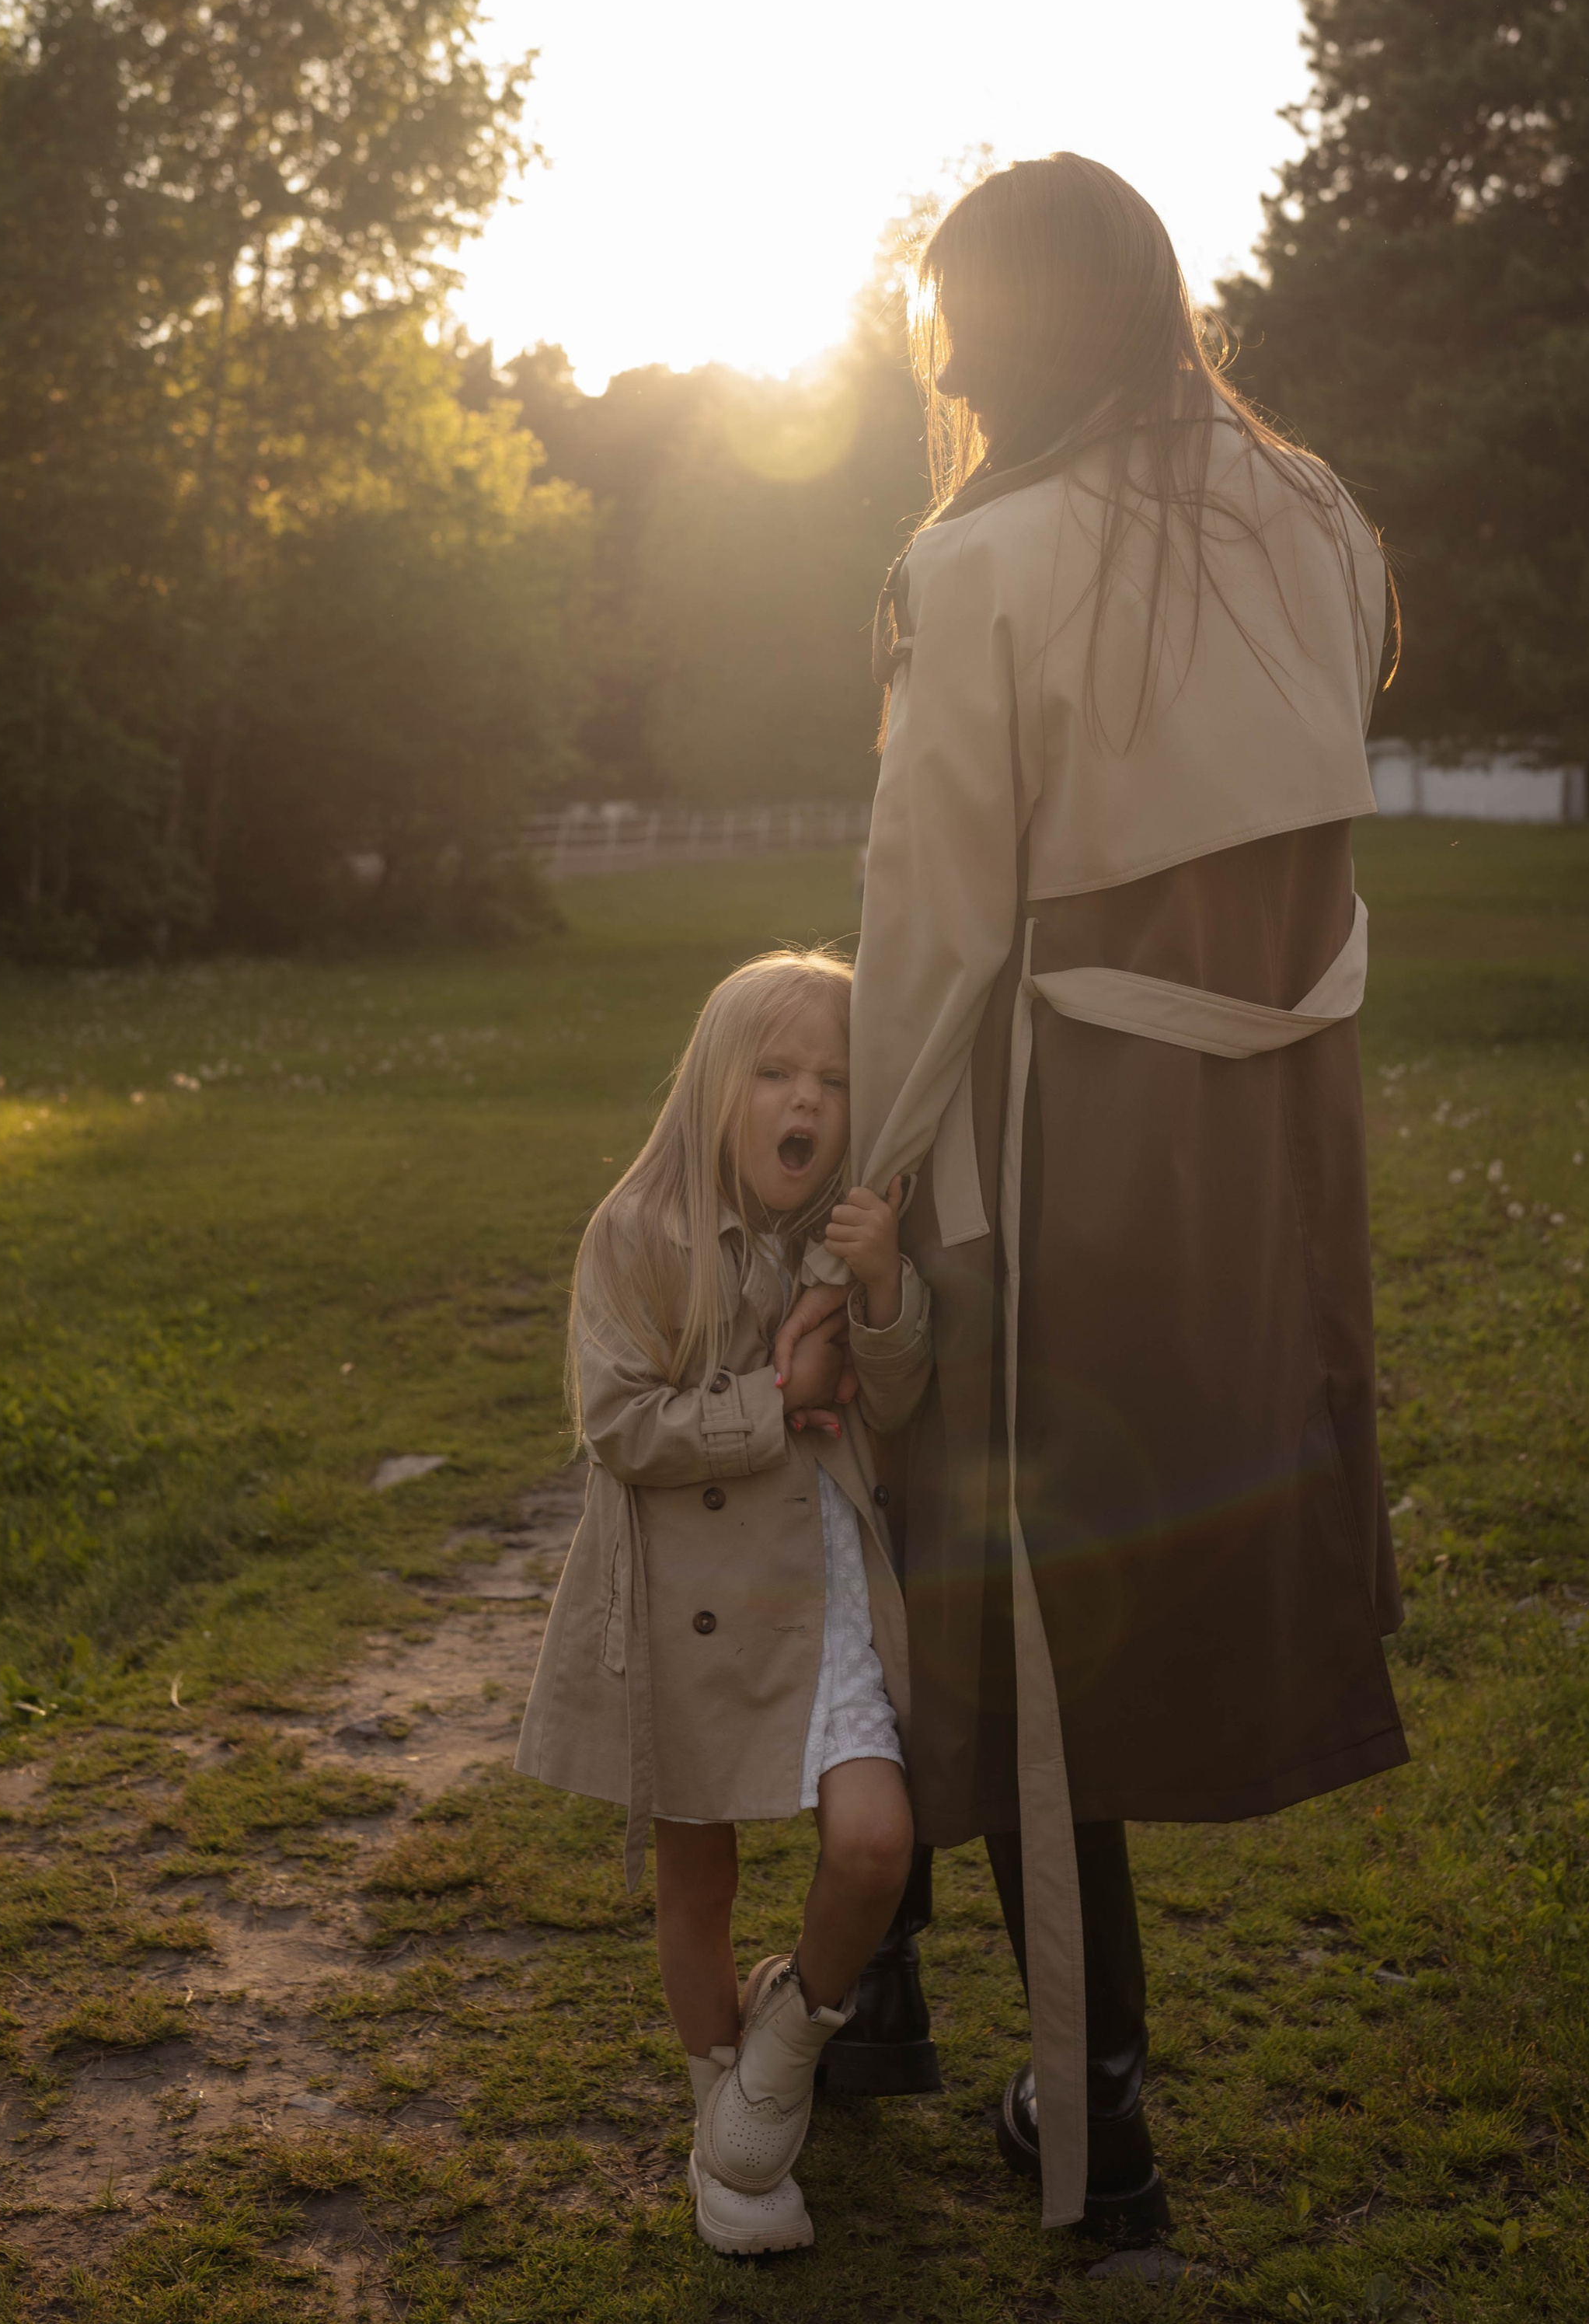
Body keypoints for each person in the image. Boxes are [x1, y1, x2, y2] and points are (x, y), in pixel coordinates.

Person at [779, 153, 1408, 2243]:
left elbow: (933, 918)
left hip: (1057, 1132)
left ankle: (1093, 2106)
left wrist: (858, 1202)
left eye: (959, 315)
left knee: (995, 1573)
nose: (942, 356)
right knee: (1056, 1568)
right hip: (1265, 1143)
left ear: (1024, 320)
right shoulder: (1315, 515)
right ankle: (918, 2025)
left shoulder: (991, 563)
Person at [513, 950, 931, 2256]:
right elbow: (618, 1423)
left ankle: (783, 2048)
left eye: (835, 1081)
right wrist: (775, 1399)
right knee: (699, 1876)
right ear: (715, 1083)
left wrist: (881, 1293)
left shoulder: (851, 1229)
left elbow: (904, 1413)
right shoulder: (637, 1233)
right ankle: (723, 2122)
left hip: (818, 1583)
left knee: (873, 1842)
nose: (805, 1100)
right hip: (685, 1601)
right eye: (776, 1073)